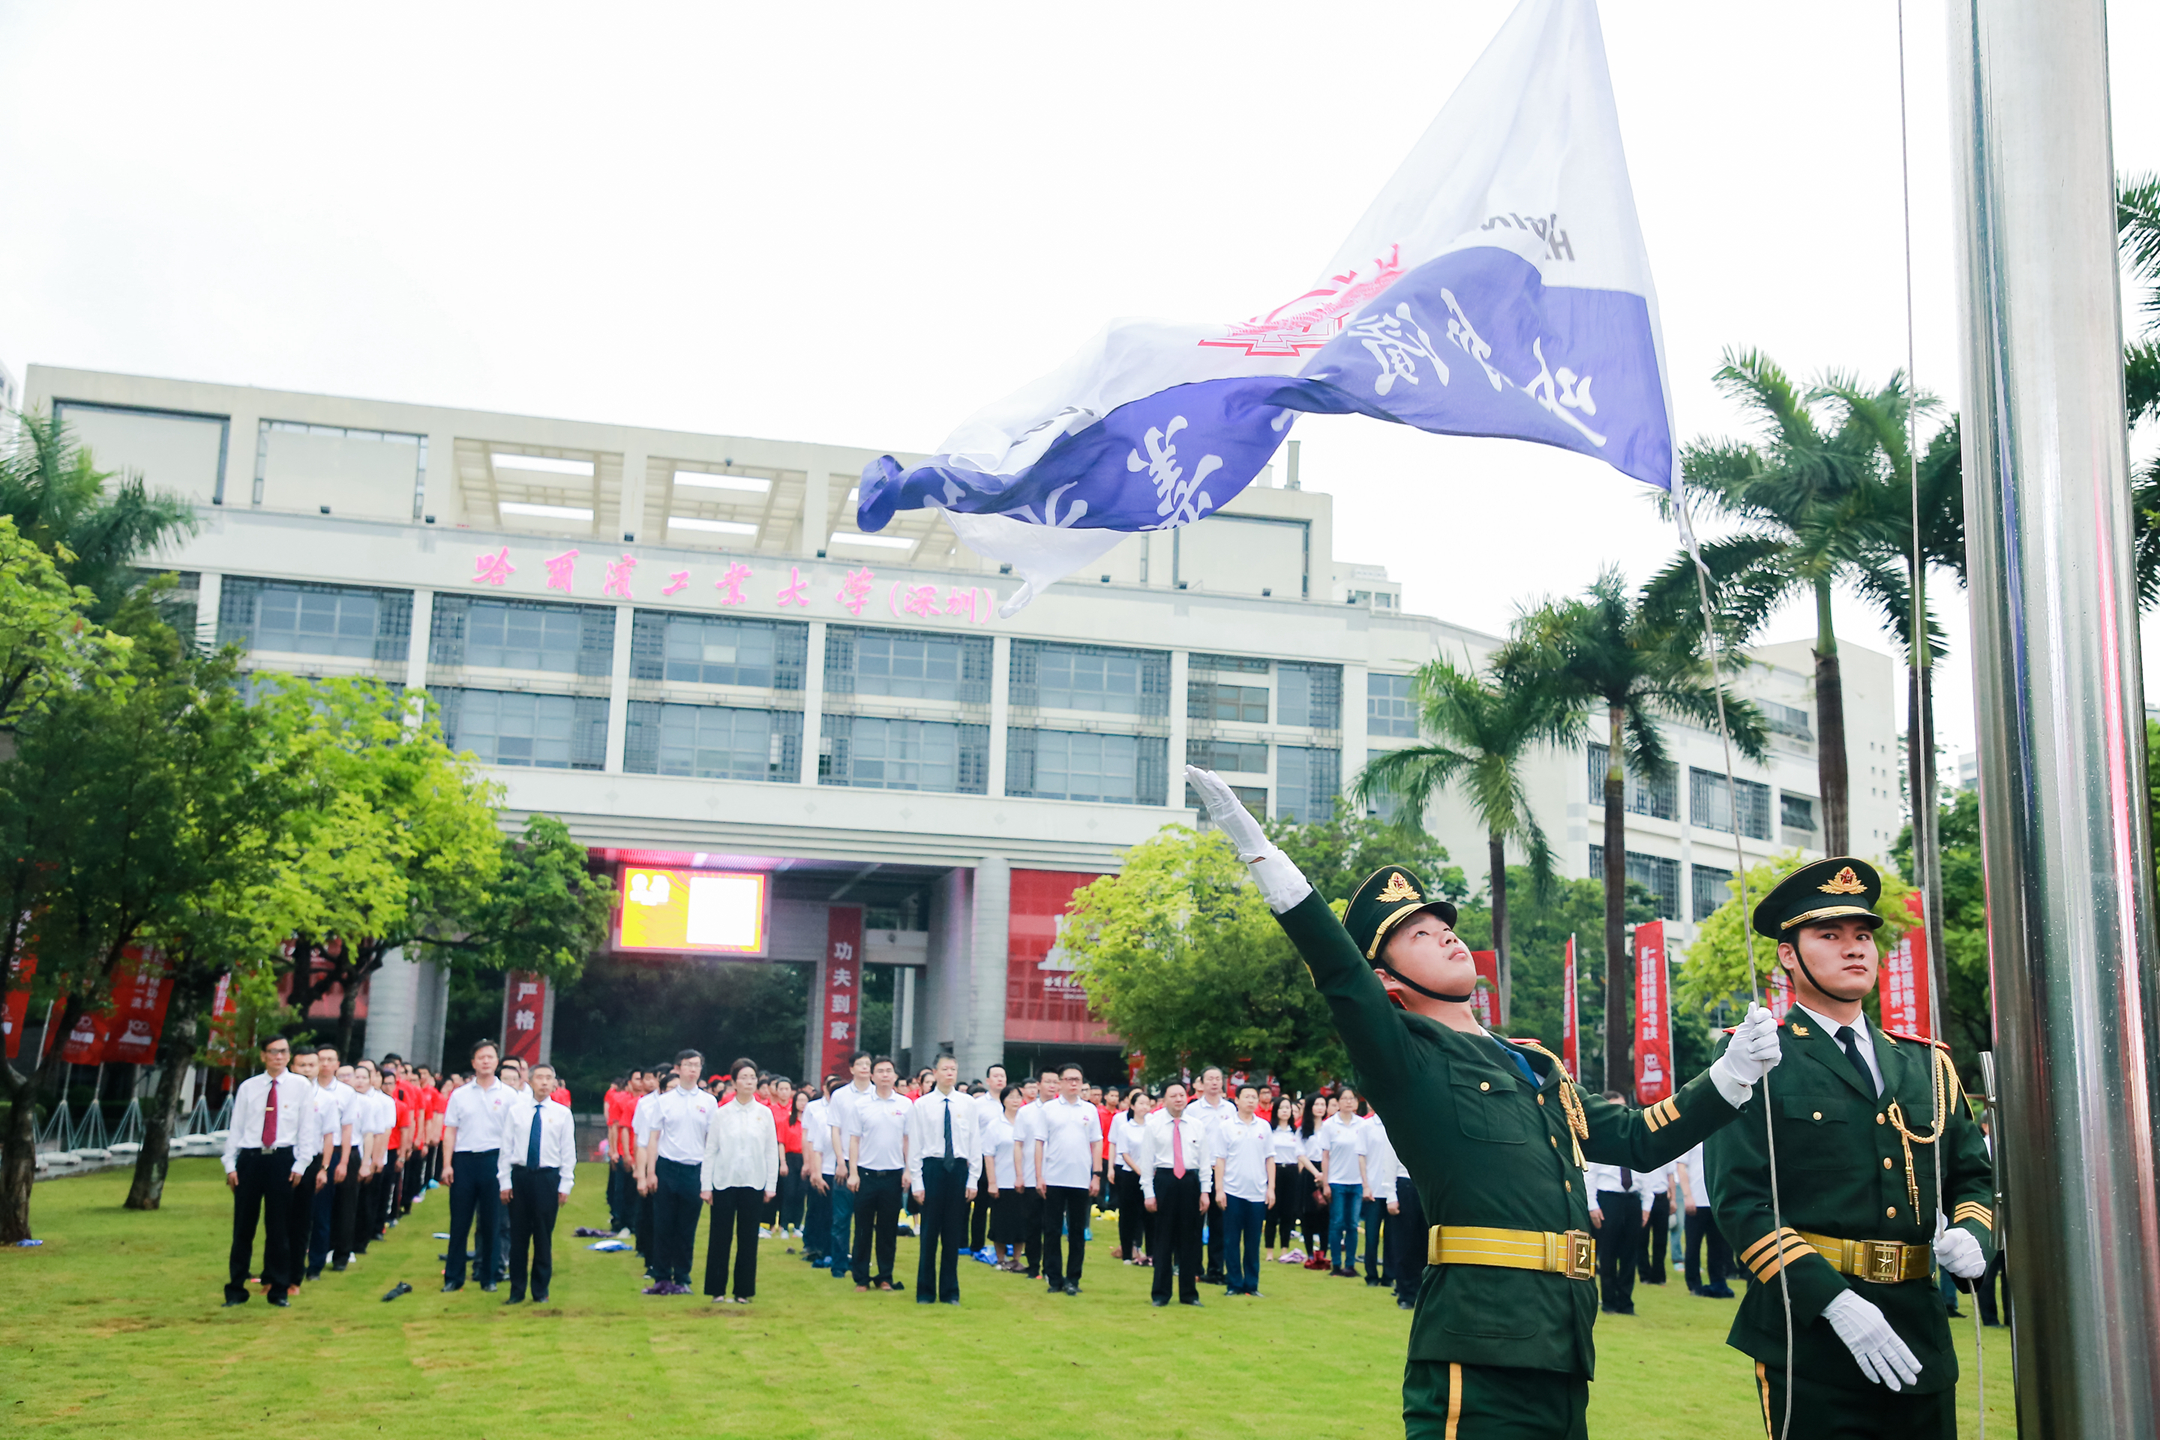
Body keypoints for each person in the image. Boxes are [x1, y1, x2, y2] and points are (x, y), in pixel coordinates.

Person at [1185, 766, 1784, 1439]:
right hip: (1476, 1348)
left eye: (1443, 923)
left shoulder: (1533, 1062)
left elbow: (1638, 1137)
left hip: (1563, 1343)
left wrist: (1730, 1076)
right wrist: (1263, 856)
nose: (1444, 933)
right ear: (1388, 985)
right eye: (1418, 934)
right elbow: (1339, 971)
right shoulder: (1405, 1058)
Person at [1705, 857, 1994, 1433]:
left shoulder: (1926, 1064)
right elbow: (1741, 1202)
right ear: (1789, 954)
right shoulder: (1755, 1057)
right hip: (1809, 1335)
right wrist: (1833, 1300)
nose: (1854, 948)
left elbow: (1973, 1178)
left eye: (1863, 935)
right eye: (1830, 935)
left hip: (1919, 1330)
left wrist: (1973, 1231)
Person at [221, 1035, 317, 1307]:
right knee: (243, 1228)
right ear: (263, 1055)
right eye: (273, 1052)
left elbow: (306, 1129)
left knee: (279, 1228)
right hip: (250, 1159)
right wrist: (230, 1163)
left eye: (284, 1051)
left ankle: (278, 1288)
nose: (279, 1056)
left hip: (282, 1159)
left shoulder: (300, 1086)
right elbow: (236, 1127)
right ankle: (236, 1288)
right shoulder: (249, 1087)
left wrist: (301, 1163)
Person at [640, 1049, 718, 1296]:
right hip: (667, 1166)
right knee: (663, 1224)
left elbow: (712, 1141)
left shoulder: (708, 1101)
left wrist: (709, 1177)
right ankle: (661, 1276)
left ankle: (682, 1276)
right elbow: (653, 1138)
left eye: (697, 1065)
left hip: (694, 1168)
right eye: (688, 1064)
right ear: (678, 1068)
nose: (692, 1069)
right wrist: (651, 1173)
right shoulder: (664, 1101)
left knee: (687, 1226)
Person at [701, 1058, 780, 1305]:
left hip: (753, 1182)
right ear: (734, 1082)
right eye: (744, 1077)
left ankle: (743, 1291)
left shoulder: (765, 1113)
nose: (749, 1082)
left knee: (748, 1238)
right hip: (724, 1181)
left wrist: (771, 1184)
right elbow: (711, 1149)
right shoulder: (722, 1113)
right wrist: (706, 1185)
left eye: (753, 1078)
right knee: (720, 1237)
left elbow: (770, 1152)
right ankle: (717, 1290)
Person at [497, 1062, 575, 1305]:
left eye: (548, 1078)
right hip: (520, 1176)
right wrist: (504, 1181)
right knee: (518, 1236)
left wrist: (565, 1185)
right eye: (539, 1077)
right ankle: (516, 1290)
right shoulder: (516, 1111)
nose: (543, 1082)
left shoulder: (562, 1113)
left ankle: (540, 1290)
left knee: (543, 1236)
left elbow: (568, 1153)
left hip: (547, 1178)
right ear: (529, 1081)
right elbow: (506, 1148)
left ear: (554, 1083)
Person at [441, 1040, 515, 1292]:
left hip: (494, 1161)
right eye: (480, 1057)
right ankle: (453, 1277)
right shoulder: (460, 1094)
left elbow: (513, 1135)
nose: (485, 1061)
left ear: (497, 1062)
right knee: (459, 1222)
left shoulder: (509, 1095)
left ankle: (489, 1276)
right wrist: (447, 1164)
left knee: (492, 1222)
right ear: (473, 1063)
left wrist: (508, 1169)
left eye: (490, 1057)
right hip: (464, 1161)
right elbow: (450, 1131)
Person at [906, 1054, 980, 1304]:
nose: (950, 1073)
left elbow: (974, 1143)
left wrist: (973, 1179)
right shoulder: (922, 1105)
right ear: (934, 1073)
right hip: (932, 1168)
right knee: (929, 1234)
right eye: (944, 1069)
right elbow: (915, 1145)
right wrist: (917, 1182)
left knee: (952, 1233)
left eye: (953, 1069)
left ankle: (950, 1292)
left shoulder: (968, 1103)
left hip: (958, 1169)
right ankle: (925, 1291)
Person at [1140, 1079, 1211, 1306]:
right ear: (1164, 1099)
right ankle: (1161, 1293)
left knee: (1190, 1240)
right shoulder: (1154, 1124)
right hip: (1165, 1180)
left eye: (1182, 1095)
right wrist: (1149, 1193)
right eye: (1174, 1095)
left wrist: (1205, 1191)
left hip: (1190, 1181)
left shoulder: (1197, 1125)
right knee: (1163, 1240)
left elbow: (1205, 1161)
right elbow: (1146, 1162)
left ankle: (1189, 1294)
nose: (1179, 1099)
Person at [845, 1057, 912, 1292]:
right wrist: (852, 1172)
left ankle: (885, 1276)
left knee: (887, 1229)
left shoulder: (905, 1105)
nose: (885, 1075)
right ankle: (861, 1278)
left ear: (895, 1076)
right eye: (880, 1071)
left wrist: (908, 1169)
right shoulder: (861, 1105)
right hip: (865, 1174)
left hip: (893, 1175)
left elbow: (907, 1140)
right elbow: (854, 1140)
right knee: (862, 1228)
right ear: (872, 1076)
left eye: (889, 1071)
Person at [1035, 1063, 1102, 1297]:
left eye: (1078, 1079)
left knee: (1077, 1231)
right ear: (1060, 1083)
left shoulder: (1090, 1110)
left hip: (1080, 1178)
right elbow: (1039, 1143)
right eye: (1069, 1079)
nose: (1074, 1083)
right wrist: (1039, 1175)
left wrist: (1096, 1174)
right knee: (1052, 1230)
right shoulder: (1049, 1109)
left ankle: (1073, 1278)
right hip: (1053, 1176)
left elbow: (1096, 1143)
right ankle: (1054, 1278)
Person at [1214, 1082, 1275, 1297]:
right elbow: (1219, 1160)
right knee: (1231, 1240)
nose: (1251, 1100)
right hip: (1233, 1191)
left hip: (1257, 1193)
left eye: (1254, 1097)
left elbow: (1270, 1159)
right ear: (1236, 1100)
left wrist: (1271, 1188)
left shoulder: (1264, 1127)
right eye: (1246, 1096)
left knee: (1252, 1241)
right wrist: (1219, 1189)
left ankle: (1251, 1284)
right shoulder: (1226, 1127)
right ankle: (1234, 1283)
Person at [825, 1051, 876, 1281]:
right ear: (852, 1069)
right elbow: (835, 1130)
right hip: (845, 1161)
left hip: (871, 1163)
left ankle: (860, 1262)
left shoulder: (880, 1094)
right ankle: (838, 1265)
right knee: (841, 1217)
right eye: (860, 1064)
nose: (865, 1067)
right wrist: (839, 1161)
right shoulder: (840, 1096)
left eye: (868, 1064)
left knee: (865, 1219)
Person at [1587, 1142, 1652, 1317]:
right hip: (1609, 1199)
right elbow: (1590, 1175)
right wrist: (1592, 1205)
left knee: (1630, 1253)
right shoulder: (1604, 1145)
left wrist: (1647, 1205)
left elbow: (1646, 1173)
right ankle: (1609, 1301)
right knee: (1607, 1253)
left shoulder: (1637, 1146)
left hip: (1633, 1199)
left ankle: (1625, 1301)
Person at [1183, 1066, 1235, 1284]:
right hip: (1199, 1171)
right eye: (1210, 1079)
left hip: (1222, 1172)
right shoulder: (1193, 1110)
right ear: (1201, 1083)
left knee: (1219, 1223)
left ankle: (1216, 1270)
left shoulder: (1231, 1109)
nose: (1214, 1083)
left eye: (1218, 1079)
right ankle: (1194, 1268)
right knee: (1195, 1221)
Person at [1316, 1085, 1368, 1278]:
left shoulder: (1362, 1125)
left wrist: (1365, 1183)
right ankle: (1336, 1264)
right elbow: (1325, 1156)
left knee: (1352, 1224)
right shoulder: (1330, 1125)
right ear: (1337, 1102)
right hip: (1337, 1180)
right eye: (1344, 1098)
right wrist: (1326, 1182)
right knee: (1337, 1222)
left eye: (1352, 1098)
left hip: (1356, 1181)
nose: (1348, 1102)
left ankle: (1350, 1264)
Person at [1012, 1068, 1056, 1280]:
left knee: (1052, 1226)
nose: (1052, 1086)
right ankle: (1033, 1266)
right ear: (1038, 1084)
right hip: (1030, 1176)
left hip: (1056, 1176)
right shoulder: (1026, 1112)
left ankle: (1050, 1267)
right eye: (1047, 1081)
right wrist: (1019, 1175)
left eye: (1055, 1082)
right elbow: (1018, 1145)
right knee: (1032, 1224)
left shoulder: (1060, 1111)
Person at [1677, 1143, 1734, 1298]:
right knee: (1693, 1244)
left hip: (1715, 1201)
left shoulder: (1720, 1137)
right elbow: (1681, 1168)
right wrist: (1687, 1195)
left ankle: (1718, 1282)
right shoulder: (1692, 1136)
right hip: (1696, 1200)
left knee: (1718, 1246)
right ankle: (1694, 1284)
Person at [980, 1085, 1024, 1270]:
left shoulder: (1025, 1123)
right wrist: (992, 1182)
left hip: (1022, 1180)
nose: (1015, 1100)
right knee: (1000, 1222)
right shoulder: (995, 1124)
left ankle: (1016, 1259)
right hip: (1002, 1179)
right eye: (1011, 1097)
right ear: (1003, 1100)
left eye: (1018, 1097)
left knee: (1020, 1222)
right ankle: (1000, 1259)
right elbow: (988, 1154)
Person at [1361, 1109, 1401, 1289]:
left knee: (1392, 1238)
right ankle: (1371, 1274)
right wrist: (1365, 1185)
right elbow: (1361, 1157)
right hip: (1374, 1189)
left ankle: (1388, 1276)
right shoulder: (1367, 1125)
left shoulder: (1396, 1123)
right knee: (1371, 1236)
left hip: (1393, 1190)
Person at [1111, 1090, 1153, 1264]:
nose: (1144, 1107)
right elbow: (1124, 1152)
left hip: (1150, 1175)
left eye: (1147, 1103)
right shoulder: (1125, 1127)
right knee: (1128, 1215)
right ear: (1133, 1106)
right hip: (1130, 1175)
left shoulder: (1154, 1125)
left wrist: (1148, 1171)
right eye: (1141, 1103)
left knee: (1150, 1215)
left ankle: (1151, 1254)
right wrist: (1139, 1170)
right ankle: (1127, 1253)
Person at [800, 1078, 837, 1269]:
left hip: (843, 1171)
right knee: (818, 1209)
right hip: (822, 1168)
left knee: (836, 1215)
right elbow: (809, 1139)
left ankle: (835, 1251)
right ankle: (814, 1246)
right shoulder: (816, 1110)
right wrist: (810, 1165)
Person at [1265, 1094, 1303, 1263]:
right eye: (1282, 1107)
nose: (1285, 1111)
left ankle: (1285, 1250)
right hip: (1275, 1171)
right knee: (1272, 1212)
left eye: (1288, 1108)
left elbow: (1301, 1155)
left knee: (1288, 1213)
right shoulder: (1269, 1131)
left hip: (1292, 1172)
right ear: (1276, 1110)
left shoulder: (1296, 1132)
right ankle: (1269, 1252)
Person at [605, 1071, 639, 1235]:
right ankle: (618, 1220)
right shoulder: (621, 1100)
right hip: (623, 1151)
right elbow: (614, 1126)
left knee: (635, 1191)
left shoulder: (648, 1102)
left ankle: (633, 1222)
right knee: (620, 1190)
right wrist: (613, 1150)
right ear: (629, 1083)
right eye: (637, 1079)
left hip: (641, 1152)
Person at [1636, 1160, 1673, 1285]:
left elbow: (1670, 1175)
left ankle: (1659, 1274)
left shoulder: (1665, 1149)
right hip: (1643, 1197)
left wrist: (1672, 1199)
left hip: (1661, 1196)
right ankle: (1644, 1274)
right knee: (1641, 1239)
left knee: (1661, 1239)